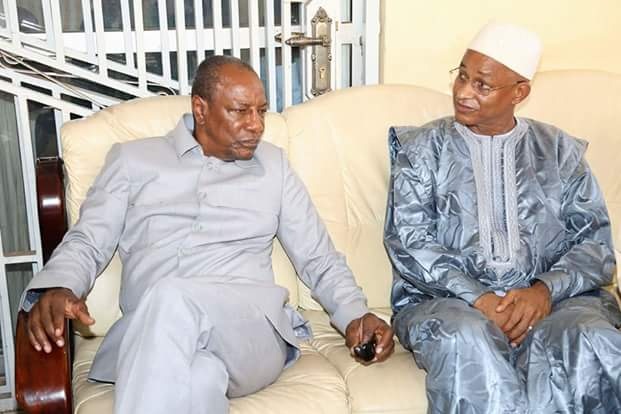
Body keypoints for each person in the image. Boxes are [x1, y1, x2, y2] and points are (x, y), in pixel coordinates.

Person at [22, 55, 394, 414]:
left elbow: (317, 257)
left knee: (171, 295)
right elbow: (89, 239)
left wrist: (355, 315)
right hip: (152, 334)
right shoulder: (132, 160)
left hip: (249, 333)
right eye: (240, 111)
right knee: (200, 378)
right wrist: (61, 286)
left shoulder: (274, 167)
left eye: (261, 111)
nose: (256, 125)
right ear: (200, 109)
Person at [384, 22, 621, 413]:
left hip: (554, 302)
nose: (463, 92)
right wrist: (479, 298)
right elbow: (409, 241)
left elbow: (594, 243)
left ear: (519, 93)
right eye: (462, 76)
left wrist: (544, 292)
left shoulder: (559, 152)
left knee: (589, 338)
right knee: (465, 339)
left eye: (482, 85)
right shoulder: (422, 150)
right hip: (447, 303)